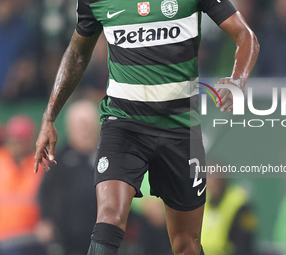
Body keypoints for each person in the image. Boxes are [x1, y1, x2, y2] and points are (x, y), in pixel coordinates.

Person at [34, 0, 259, 254]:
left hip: (180, 129)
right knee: (109, 217)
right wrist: (49, 117)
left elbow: (246, 36)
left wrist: (238, 79)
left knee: (187, 244)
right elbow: (77, 53)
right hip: (123, 124)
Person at [38, 100, 99, 255]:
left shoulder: (108, 157)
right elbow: (45, 192)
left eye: (88, 125)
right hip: (66, 239)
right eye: (80, 125)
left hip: (102, 237)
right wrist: (46, 220)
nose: (85, 130)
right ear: (70, 129)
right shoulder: (59, 159)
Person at [0, 116, 47, 255]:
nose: (19, 143)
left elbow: (52, 198)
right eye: (16, 139)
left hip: (32, 240)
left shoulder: (43, 165)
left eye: (23, 139)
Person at [201, 177, 257, 255]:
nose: (211, 185)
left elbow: (244, 241)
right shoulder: (202, 199)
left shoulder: (240, 204)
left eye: (214, 180)